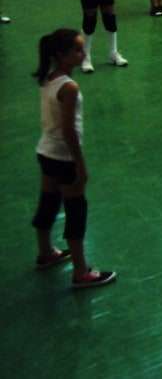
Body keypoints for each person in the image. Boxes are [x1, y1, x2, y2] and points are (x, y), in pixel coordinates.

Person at [31, 28, 117, 288]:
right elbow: (69, 131)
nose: (83, 53)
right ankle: (81, 271)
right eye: (78, 50)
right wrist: (80, 163)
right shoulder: (69, 87)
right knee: (75, 209)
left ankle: (46, 252)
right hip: (63, 157)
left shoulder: (49, 78)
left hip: (45, 151)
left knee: (48, 201)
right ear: (62, 55)